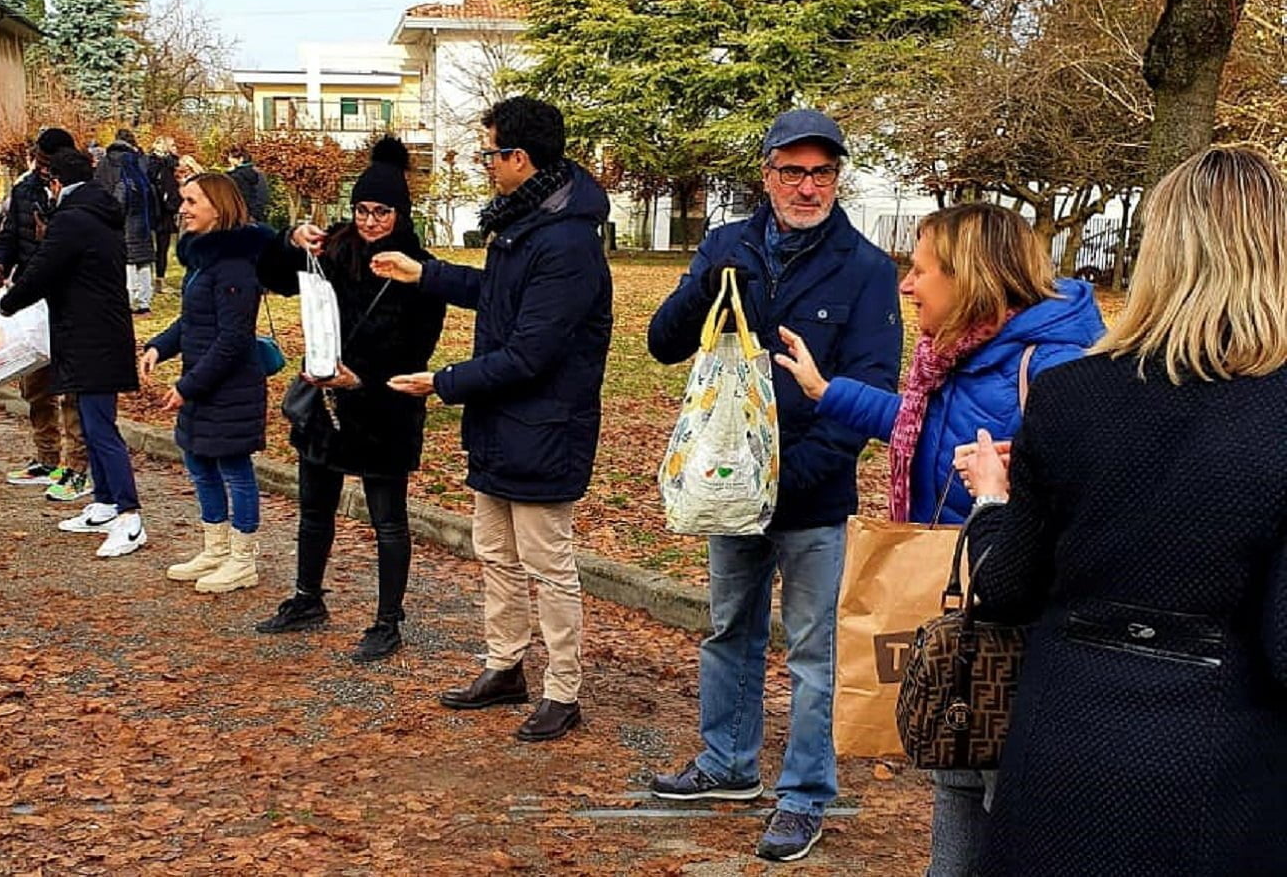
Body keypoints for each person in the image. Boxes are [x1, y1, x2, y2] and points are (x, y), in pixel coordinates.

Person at [958, 145, 1287, 875]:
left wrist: (989, 504)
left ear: (1158, 250)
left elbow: (1007, 589)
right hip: (1220, 762)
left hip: (1065, 744)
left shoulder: (1071, 394)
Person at [774, 203, 1105, 875]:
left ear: (971, 278)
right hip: (967, 615)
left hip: (1017, 632)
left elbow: (1094, 495)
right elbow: (918, 428)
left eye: (920, 269)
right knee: (956, 774)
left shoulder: (1054, 368)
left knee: (996, 795)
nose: (906, 284)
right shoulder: (961, 355)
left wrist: (1011, 485)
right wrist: (825, 390)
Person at [644, 109, 902, 862]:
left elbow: (872, 385)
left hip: (812, 496)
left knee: (814, 653)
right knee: (730, 629)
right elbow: (663, 343)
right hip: (730, 488)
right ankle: (727, 763)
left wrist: (795, 476)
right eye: (792, 170)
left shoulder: (864, 266)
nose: (807, 185)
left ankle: (803, 795)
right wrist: (705, 288)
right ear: (766, 174)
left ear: (837, 178)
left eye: (822, 172)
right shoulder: (727, 245)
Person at [371, 96, 612, 742]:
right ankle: (505, 665)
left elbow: (532, 352)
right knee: (498, 555)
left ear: (519, 159)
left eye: (488, 153)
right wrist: (426, 274)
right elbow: (497, 294)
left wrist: (442, 382)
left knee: (547, 565)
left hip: (544, 428)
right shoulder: (526, 224)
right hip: (502, 425)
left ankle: (564, 690)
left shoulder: (566, 242)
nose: (484, 164)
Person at [252, 138, 446, 662]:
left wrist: (361, 380)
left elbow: (418, 350)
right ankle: (307, 597)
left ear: (400, 213)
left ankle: (388, 621)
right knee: (315, 509)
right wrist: (291, 241)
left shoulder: (420, 269)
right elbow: (271, 276)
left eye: (381, 211)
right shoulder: (336, 250)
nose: (369, 220)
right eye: (361, 210)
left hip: (385, 407)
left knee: (388, 520)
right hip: (325, 407)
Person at [0, 148, 146, 558]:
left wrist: (8, 304)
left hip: (91, 338)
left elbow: (44, 269)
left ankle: (130, 516)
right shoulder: (97, 213)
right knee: (89, 420)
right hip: (93, 333)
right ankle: (104, 503)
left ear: (55, 182)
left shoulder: (72, 220)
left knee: (100, 428)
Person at [139, 174, 269, 593]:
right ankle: (215, 548)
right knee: (198, 461)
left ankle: (242, 559)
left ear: (218, 205)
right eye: (183, 200)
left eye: (193, 201)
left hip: (229, 387)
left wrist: (188, 386)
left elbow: (233, 338)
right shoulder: (204, 261)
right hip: (203, 380)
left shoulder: (234, 265)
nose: (183, 208)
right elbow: (194, 321)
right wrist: (160, 346)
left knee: (233, 467)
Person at [0, 129, 92, 503]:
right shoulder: (25, 189)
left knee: (72, 391)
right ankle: (46, 455)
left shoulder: (78, 194)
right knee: (37, 383)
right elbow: (10, 233)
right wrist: (1, 261)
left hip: (66, 299)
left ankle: (77, 465)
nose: (42, 166)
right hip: (32, 298)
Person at [95, 129, 157, 314]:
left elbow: (102, 189)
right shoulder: (138, 163)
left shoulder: (106, 163)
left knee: (128, 261)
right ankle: (144, 299)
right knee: (144, 260)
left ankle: (129, 298)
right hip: (142, 221)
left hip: (121, 220)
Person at [146, 136, 180, 293]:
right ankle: (152, 279)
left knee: (163, 246)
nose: (175, 147)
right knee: (152, 246)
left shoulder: (171, 163)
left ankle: (160, 278)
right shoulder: (152, 163)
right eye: (171, 145)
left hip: (166, 209)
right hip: (155, 207)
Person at [226, 149, 269, 224]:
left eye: (231, 157)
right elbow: (263, 194)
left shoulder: (235, 176)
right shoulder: (259, 173)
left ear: (240, 159)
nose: (229, 160)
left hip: (240, 215)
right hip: (256, 214)